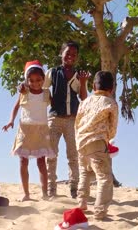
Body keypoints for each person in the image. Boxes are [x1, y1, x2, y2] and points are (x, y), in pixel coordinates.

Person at [41, 41, 89, 198]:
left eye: (74, 55)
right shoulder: (52, 72)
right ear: (61, 53)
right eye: (67, 53)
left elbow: (83, 97)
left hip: (72, 119)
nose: (70, 57)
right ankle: (51, 188)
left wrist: (83, 83)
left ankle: (74, 187)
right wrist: (50, 100)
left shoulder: (78, 75)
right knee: (51, 154)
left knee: (73, 155)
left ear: (77, 57)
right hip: (54, 118)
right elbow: (43, 88)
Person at [3, 60, 56, 201]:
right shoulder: (24, 92)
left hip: (41, 130)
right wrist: (11, 121)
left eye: (38, 80)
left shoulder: (46, 93)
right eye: (31, 80)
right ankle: (26, 193)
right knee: (23, 161)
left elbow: (55, 105)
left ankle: (45, 193)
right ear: (26, 80)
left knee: (41, 162)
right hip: (25, 129)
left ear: (43, 79)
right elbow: (16, 107)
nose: (35, 83)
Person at [75, 71, 118, 220]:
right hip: (98, 143)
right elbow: (113, 128)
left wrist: (79, 139)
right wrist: (109, 139)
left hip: (81, 142)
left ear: (93, 86)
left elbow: (77, 122)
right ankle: (99, 211)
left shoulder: (85, 101)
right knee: (104, 177)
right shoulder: (111, 103)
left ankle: (81, 202)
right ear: (112, 89)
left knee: (84, 173)